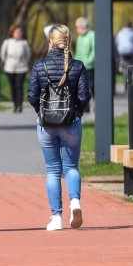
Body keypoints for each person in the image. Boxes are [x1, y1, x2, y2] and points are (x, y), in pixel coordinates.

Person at [28, 24, 93, 231]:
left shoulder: (40, 66)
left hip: (46, 126)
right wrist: (77, 113)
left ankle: (56, 217)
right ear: (69, 42)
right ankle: (75, 202)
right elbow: (84, 96)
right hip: (71, 123)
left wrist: (41, 112)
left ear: (51, 42)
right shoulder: (78, 66)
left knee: (53, 170)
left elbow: (31, 95)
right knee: (71, 167)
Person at [0, 25, 31, 113]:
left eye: (20, 32)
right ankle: (15, 104)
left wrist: (24, 62)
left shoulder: (24, 43)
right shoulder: (7, 42)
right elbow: (3, 54)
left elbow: (28, 55)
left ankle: (19, 105)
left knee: (19, 86)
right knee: (13, 87)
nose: (19, 33)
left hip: (22, 68)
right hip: (10, 68)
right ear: (12, 33)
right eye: (17, 32)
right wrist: (5, 61)